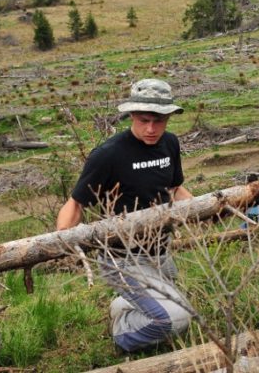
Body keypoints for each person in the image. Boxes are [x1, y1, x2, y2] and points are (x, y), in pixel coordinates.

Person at [56, 78, 194, 352]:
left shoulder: (170, 144)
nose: (152, 129)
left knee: (180, 305)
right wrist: (59, 243)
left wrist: (210, 208)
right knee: (177, 319)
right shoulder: (109, 154)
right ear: (131, 114)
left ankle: (122, 306)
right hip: (122, 258)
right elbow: (76, 203)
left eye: (159, 121)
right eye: (144, 120)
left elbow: (175, 188)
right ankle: (121, 336)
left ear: (168, 116)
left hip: (159, 252)